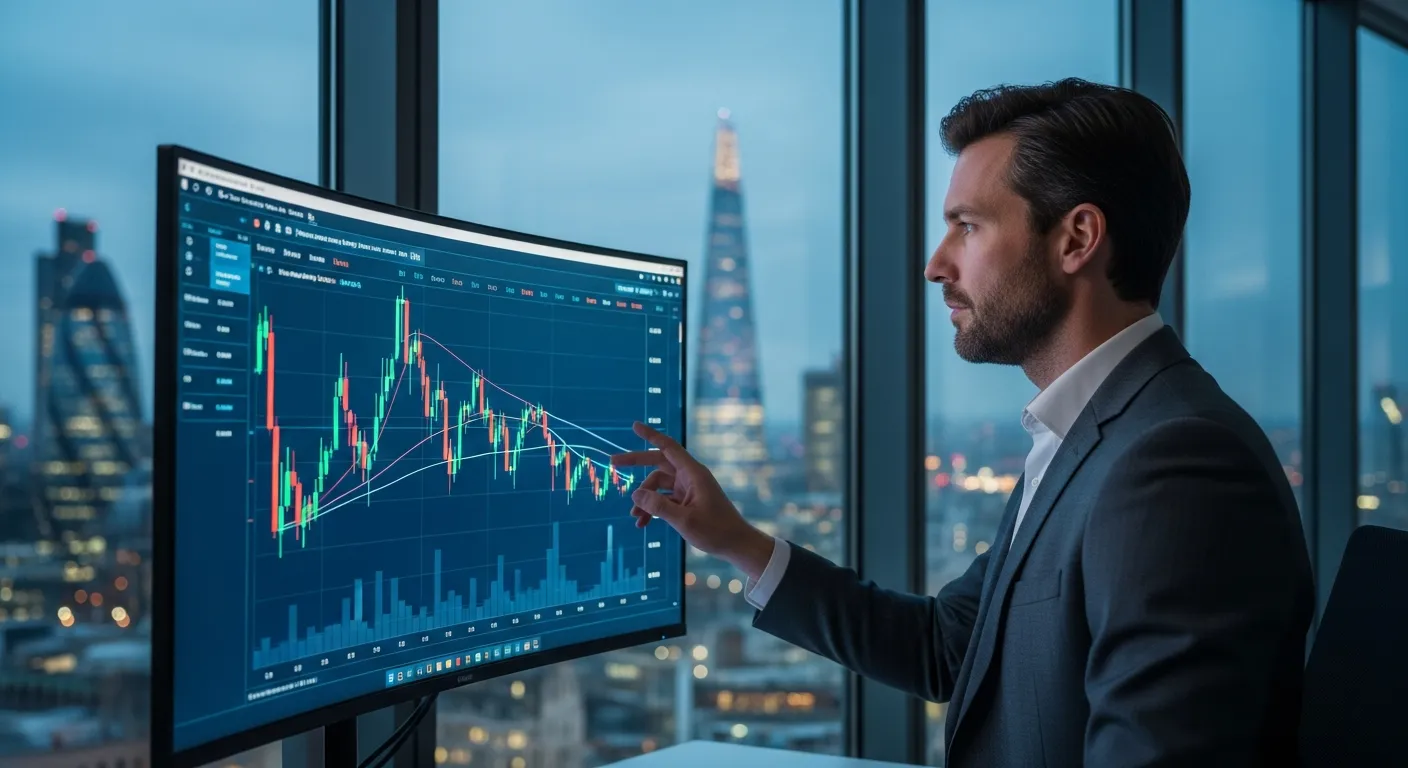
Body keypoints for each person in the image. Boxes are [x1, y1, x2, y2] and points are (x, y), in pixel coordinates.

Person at [612, 78, 1314, 767]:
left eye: (967, 227)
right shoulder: (1094, 434)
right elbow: (949, 646)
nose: (934, 265)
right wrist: (736, 541)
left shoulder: (1175, 465)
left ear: (1078, 239)